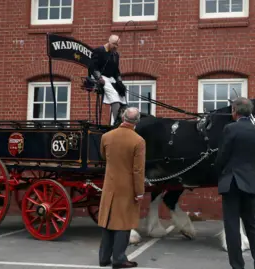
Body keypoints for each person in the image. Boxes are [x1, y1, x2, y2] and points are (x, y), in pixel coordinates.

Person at [214, 97, 255, 269]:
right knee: (253, 225)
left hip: (232, 182)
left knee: (232, 226)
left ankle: (237, 266)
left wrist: (219, 169)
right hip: (250, 182)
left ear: (234, 111)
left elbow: (223, 155)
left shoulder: (230, 128)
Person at [97, 107, 146, 268]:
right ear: (137, 121)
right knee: (123, 224)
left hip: (109, 185)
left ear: (123, 118)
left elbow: (104, 157)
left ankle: (104, 257)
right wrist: (139, 192)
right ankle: (119, 259)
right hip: (127, 187)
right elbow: (138, 170)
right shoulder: (138, 141)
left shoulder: (106, 136)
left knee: (108, 222)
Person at [88, 34, 128, 125]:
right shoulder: (99, 51)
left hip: (111, 78)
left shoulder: (116, 55)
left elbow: (116, 71)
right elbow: (93, 66)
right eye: (114, 44)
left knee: (122, 94)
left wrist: (119, 81)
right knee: (114, 95)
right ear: (109, 41)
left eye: (117, 44)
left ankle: (125, 120)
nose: (116, 46)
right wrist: (99, 77)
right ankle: (117, 122)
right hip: (101, 76)